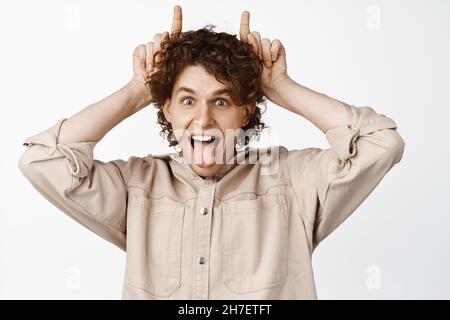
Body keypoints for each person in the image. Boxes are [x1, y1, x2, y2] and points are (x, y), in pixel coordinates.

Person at [18, 5, 405, 299]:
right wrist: (139, 89)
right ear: (167, 109)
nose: (203, 120)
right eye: (187, 101)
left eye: (221, 102)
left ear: (247, 109)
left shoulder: (290, 181)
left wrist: (282, 87)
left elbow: (380, 143)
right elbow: (42, 160)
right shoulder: (136, 185)